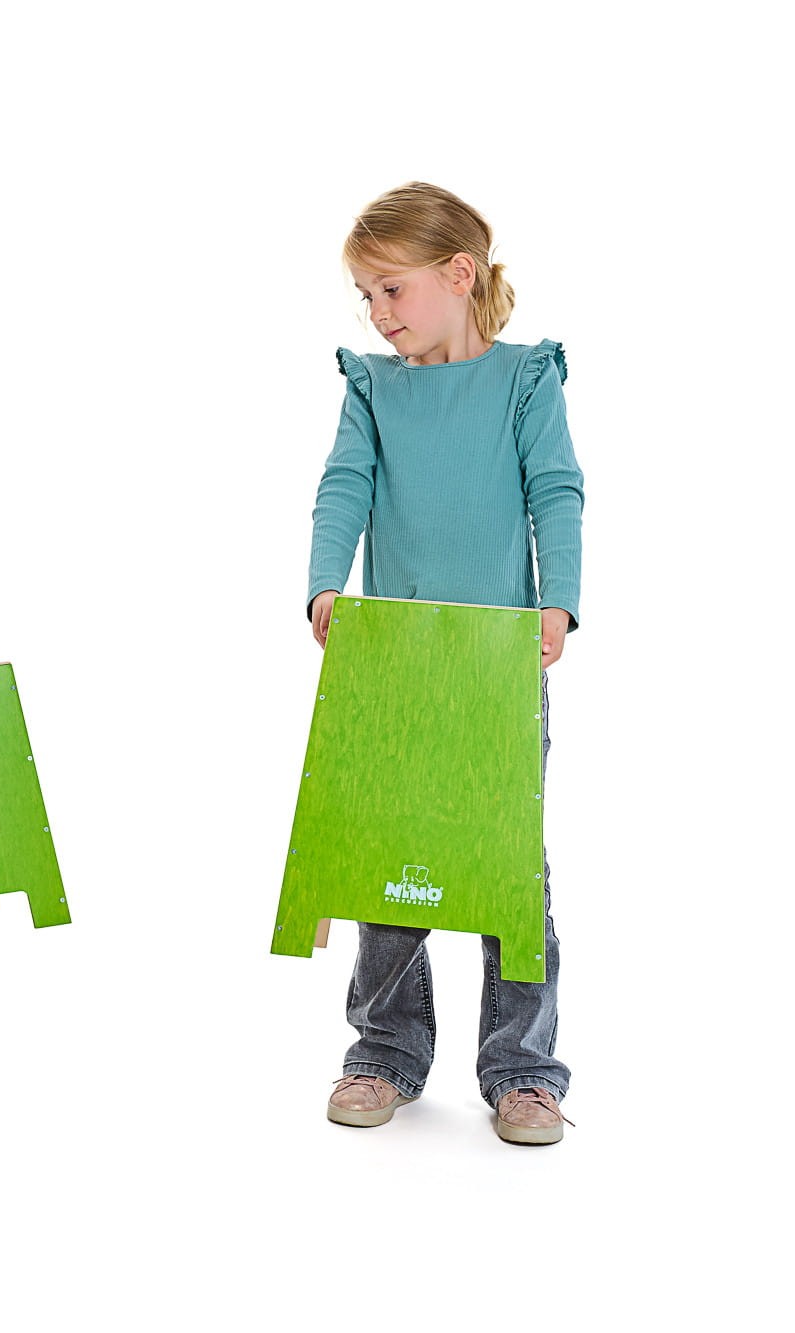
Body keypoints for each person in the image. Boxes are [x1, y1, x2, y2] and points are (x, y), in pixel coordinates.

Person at [306, 183, 586, 1144]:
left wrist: (559, 601)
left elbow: (556, 489)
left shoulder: (524, 379)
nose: (378, 313)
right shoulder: (373, 388)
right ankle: (385, 1048)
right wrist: (324, 584)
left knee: (508, 866)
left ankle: (524, 1068)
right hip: (394, 664)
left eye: (392, 289)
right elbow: (344, 485)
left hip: (498, 665)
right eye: (367, 296)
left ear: (458, 274)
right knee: (390, 857)